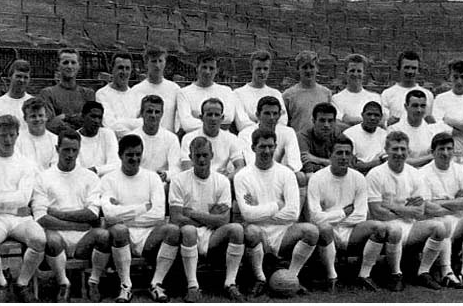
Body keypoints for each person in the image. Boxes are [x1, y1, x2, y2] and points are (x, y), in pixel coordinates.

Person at [307, 135, 401, 292]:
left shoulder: (358, 178)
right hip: (328, 232)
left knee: (379, 227)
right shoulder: (317, 178)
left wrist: (332, 216)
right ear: (330, 154)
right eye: (339, 153)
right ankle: (332, 277)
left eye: (347, 153)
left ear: (351, 156)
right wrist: (343, 212)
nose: (343, 157)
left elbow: (360, 215)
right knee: (323, 227)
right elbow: (315, 216)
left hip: (352, 232)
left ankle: (364, 275)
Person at [234, 128, 319, 297]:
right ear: (253, 148)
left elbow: (293, 213)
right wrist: (277, 205)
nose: (267, 151)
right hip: (258, 232)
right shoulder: (242, 176)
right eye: (262, 146)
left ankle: (291, 278)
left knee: (311, 231)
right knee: (250, 231)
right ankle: (260, 279)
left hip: (283, 232)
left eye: (271, 146)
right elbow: (247, 215)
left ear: (275, 147)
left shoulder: (286, 173)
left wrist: (260, 209)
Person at [0, 115, 46, 302]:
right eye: (3, 135)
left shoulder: (26, 163)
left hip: (19, 218)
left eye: (12, 135)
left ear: (17, 135)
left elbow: (23, 198)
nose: (8, 140)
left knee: (39, 239)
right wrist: (1, 202)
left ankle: (22, 283)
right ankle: (1, 283)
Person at [32, 129, 110, 302]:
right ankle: (63, 283)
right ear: (57, 148)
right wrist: (75, 224)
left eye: (74, 150)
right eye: (66, 150)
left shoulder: (90, 177)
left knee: (104, 235)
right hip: (56, 235)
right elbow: (41, 217)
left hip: (84, 239)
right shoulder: (43, 178)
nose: (70, 154)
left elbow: (92, 213)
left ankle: (94, 281)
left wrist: (59, 214)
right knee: (50, 240)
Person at [100, 134, 181, 303]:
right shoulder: (108, 179)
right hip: (123, 235)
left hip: (150, 234)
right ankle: (125, 286)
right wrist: (143, 207)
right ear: (120, 155)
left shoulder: (152, 178)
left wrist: (121, 212)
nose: (135, 158)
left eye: (138, 154)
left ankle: (156, 283)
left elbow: (159, 214)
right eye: (130, 155)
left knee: (172, 230)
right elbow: (109, 214)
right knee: (119, 229)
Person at [367, 131, 448, 291]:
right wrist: (407, 208)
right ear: (386, 149)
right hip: (384, 227)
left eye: (403, 149)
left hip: (410, 227)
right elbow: (377, 212)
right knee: (395, 229)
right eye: (395, 149)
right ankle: (395, 274)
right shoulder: (375, 174)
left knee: (440, 228)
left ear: (408, 151)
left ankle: (423, 272)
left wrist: (391, 206)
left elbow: (419, 212)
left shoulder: (414, 174)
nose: (399, 153)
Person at [169, 137, 245, 302]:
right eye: (197, 156)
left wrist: (192, 213)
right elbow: (175, 218)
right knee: (188, 230)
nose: (202, 160)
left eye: (205, 155)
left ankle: (230, 283)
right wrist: (211, 217)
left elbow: (224, 221)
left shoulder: (222, 181)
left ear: (212, 155)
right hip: (189, 234)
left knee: (237, 229)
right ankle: (193, 286)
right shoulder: (178, 180)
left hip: (213, 234)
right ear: (190, 157)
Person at [419, 132, 463, 289]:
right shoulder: (423, 173)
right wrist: (455, 202)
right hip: (434, 224)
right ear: (433, 151)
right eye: (441, 149)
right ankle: (446, 271)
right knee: (443, 224)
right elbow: (427, 207)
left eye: (449, 149)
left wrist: (441, 201)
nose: (445, 153)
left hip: (457, 222)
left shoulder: (459, 170)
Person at [177, 51, 252, 133]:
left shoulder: (226, 91)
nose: (207, 72)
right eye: (204, 67)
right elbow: (187, 124)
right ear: (197, 68)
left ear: (217, 70)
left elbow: (228, 119)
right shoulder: (184, 93)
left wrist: (199, 120)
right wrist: (216, 124)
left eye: (211, 68)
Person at [180, 98, 245, 181]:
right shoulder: (188, 138)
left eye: (217, 115)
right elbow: (187, 168)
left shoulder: (232, 138)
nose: (213, 118)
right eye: (209, 114)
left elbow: (240, 167)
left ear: (222, 118)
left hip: (222, 184)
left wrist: (225, 180)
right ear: (201, 117)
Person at [238, 96, 302, 174]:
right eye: (267, 113)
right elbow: (251, 163)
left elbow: (295, 163)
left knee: (300, 176)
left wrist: (281, 175)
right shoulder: (245, 134)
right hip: (254, 176)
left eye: (275, 114)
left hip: (282, 175)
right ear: (258, 115)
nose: (272, 118)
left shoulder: (288, 132)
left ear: (279, 115)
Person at [40, 49, 96, 135]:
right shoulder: (47, 93)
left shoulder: (88, 94)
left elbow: (90, 122)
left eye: (73, 63)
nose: (69, 66)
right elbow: (50, 125)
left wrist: (64, 117)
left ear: (79, 66)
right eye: (65, 62)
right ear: (58, 66)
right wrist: (77, 118)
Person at [390, 90, 451, 168]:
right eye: (415, 106)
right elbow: (399, 161)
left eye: (422, 106)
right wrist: (430, 157)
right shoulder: (395, 130)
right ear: (406, 107)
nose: (419, 110)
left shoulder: (434, 130)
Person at [128, 95, 181, 183]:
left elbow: (177, 170)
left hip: (160, 185)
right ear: (142, 113)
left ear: (162, 114)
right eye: (149, 111)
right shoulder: (130, 137)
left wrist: (166, 175)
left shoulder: (171, 139)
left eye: (157, 112)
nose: (153, 115)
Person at [130, 46, 181, 133]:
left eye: (160, 61)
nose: (157, 65)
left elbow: (179, 119)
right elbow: (132, 119)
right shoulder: (136, 90)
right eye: (153, 61)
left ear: (165, 63)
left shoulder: (175, 89)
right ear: (146, 64)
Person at [332, 53, 388, 127]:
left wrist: (352, 121)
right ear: (345, 73)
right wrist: (373, 121)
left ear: (364, 74)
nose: (355, 74)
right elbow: (338, 124)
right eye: (352, 71)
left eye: (359, 71)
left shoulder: (376, 98)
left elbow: (382, 122)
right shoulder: (336, 99)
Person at [233, 50, 288, 126]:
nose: (262, 72)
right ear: (251, 69)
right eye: (258, 69)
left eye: (265, 69)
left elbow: (283, 121)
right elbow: (242, 122)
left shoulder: (276, 94)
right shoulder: (238, 94)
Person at [96, 53, 143, 139]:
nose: (124, 72)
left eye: (127, 68)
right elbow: (110, 125)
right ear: (111, 69)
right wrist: (134, 131)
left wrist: (120, 121)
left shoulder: (137, 95)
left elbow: (143, 123)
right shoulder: (102, 94)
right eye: (120, 68)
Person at [381, 51, 435, 126]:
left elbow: (430, 123)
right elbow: (384, 123)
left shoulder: (428, 95)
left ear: (418, 70)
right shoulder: (387, 94)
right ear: (399, 68)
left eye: (414, 68)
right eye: (406, 67)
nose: (410, 71)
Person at [282, 50, 332, 132]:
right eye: (304, 67)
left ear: (317, 68)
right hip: (298, 141)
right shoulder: (288, 95)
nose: (308, 71)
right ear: (298, 69)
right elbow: (284, 123)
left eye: (311, 67)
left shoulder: (326, 93)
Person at [0, 59, 34, 140]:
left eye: (25, 77)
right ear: (10, 77)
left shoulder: (34, 104)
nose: (22, 80)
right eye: (18, 76)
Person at [342, 101, 387, 175]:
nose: (372, 118)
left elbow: (387, 162)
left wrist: (365, 165)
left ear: (381, 117)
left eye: (376, 115)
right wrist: (379, 162)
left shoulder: (385, 135)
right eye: (369, 114)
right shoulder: (349, 134)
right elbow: (354, 166)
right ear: (362, 115)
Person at [15, 97, 58, 172]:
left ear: (46, 117)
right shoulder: (17, 141)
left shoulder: (55, 140)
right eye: (33, 116)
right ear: (25, 119)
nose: (37, 119)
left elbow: (56, 168)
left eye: (40, 115)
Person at [78, 101, 120, 177]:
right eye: (93, 116)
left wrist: (96, 170)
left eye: (99, 117)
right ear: (83, 116)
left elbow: (116, 164)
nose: (97, 121)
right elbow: (76, 169)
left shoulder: (108, 134)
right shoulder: (74, 137)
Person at [297, 102, 340, 177]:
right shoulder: (302, 137)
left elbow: (348, 163)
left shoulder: (337, 134)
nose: (326, 125)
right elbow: (308, 168)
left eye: (330, 121)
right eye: (322, 120)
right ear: (313, 121)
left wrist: (316, 160)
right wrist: (331, 163)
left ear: (335, 121)